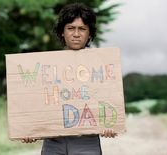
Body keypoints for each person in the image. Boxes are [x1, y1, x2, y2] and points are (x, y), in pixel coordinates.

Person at [21, 3, 117, 155]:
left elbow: (109, 102)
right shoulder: (46, 67)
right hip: (53, 143)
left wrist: (110, 125)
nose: (76, 34)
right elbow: (34, 102)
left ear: (90, 34)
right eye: (71, 28)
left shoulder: (100, 68)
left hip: (87, 141)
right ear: (62, 32)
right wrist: (28, 129)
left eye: (82, 29)